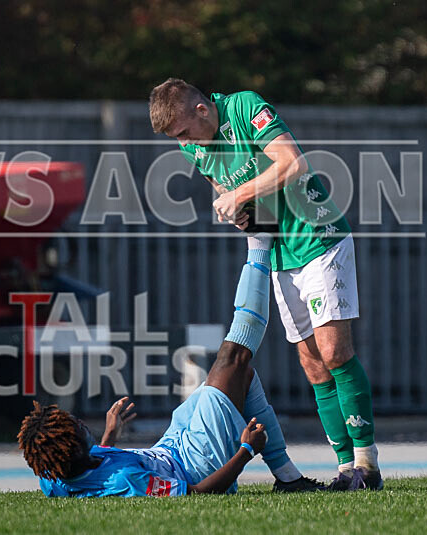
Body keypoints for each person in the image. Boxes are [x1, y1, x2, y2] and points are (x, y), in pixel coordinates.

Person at [148, 78, 382, 491]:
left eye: (183, 132)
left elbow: (293, 163)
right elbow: (227, 192)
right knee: (312, 363)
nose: (183, 142)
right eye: (175, 139)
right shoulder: (193, 148)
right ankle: (346, 468)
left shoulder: (245, 107)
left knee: (333, 352)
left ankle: (368, 463)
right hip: (279, 253)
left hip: (317, 237)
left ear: (201, 110)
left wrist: (239, 194)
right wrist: (240, 213)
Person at [18, 234, 324, 496]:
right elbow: (195, 493)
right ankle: (259, 242)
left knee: (241, 374)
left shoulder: (54, 477)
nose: (81, 423)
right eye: (75, 427)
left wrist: (109, 437)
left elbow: (85, 471)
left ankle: (288, 478)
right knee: (232, 357)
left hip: (169, 446)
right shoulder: (125, 481)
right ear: (73, 448)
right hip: (195, 465)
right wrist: (245, 451)